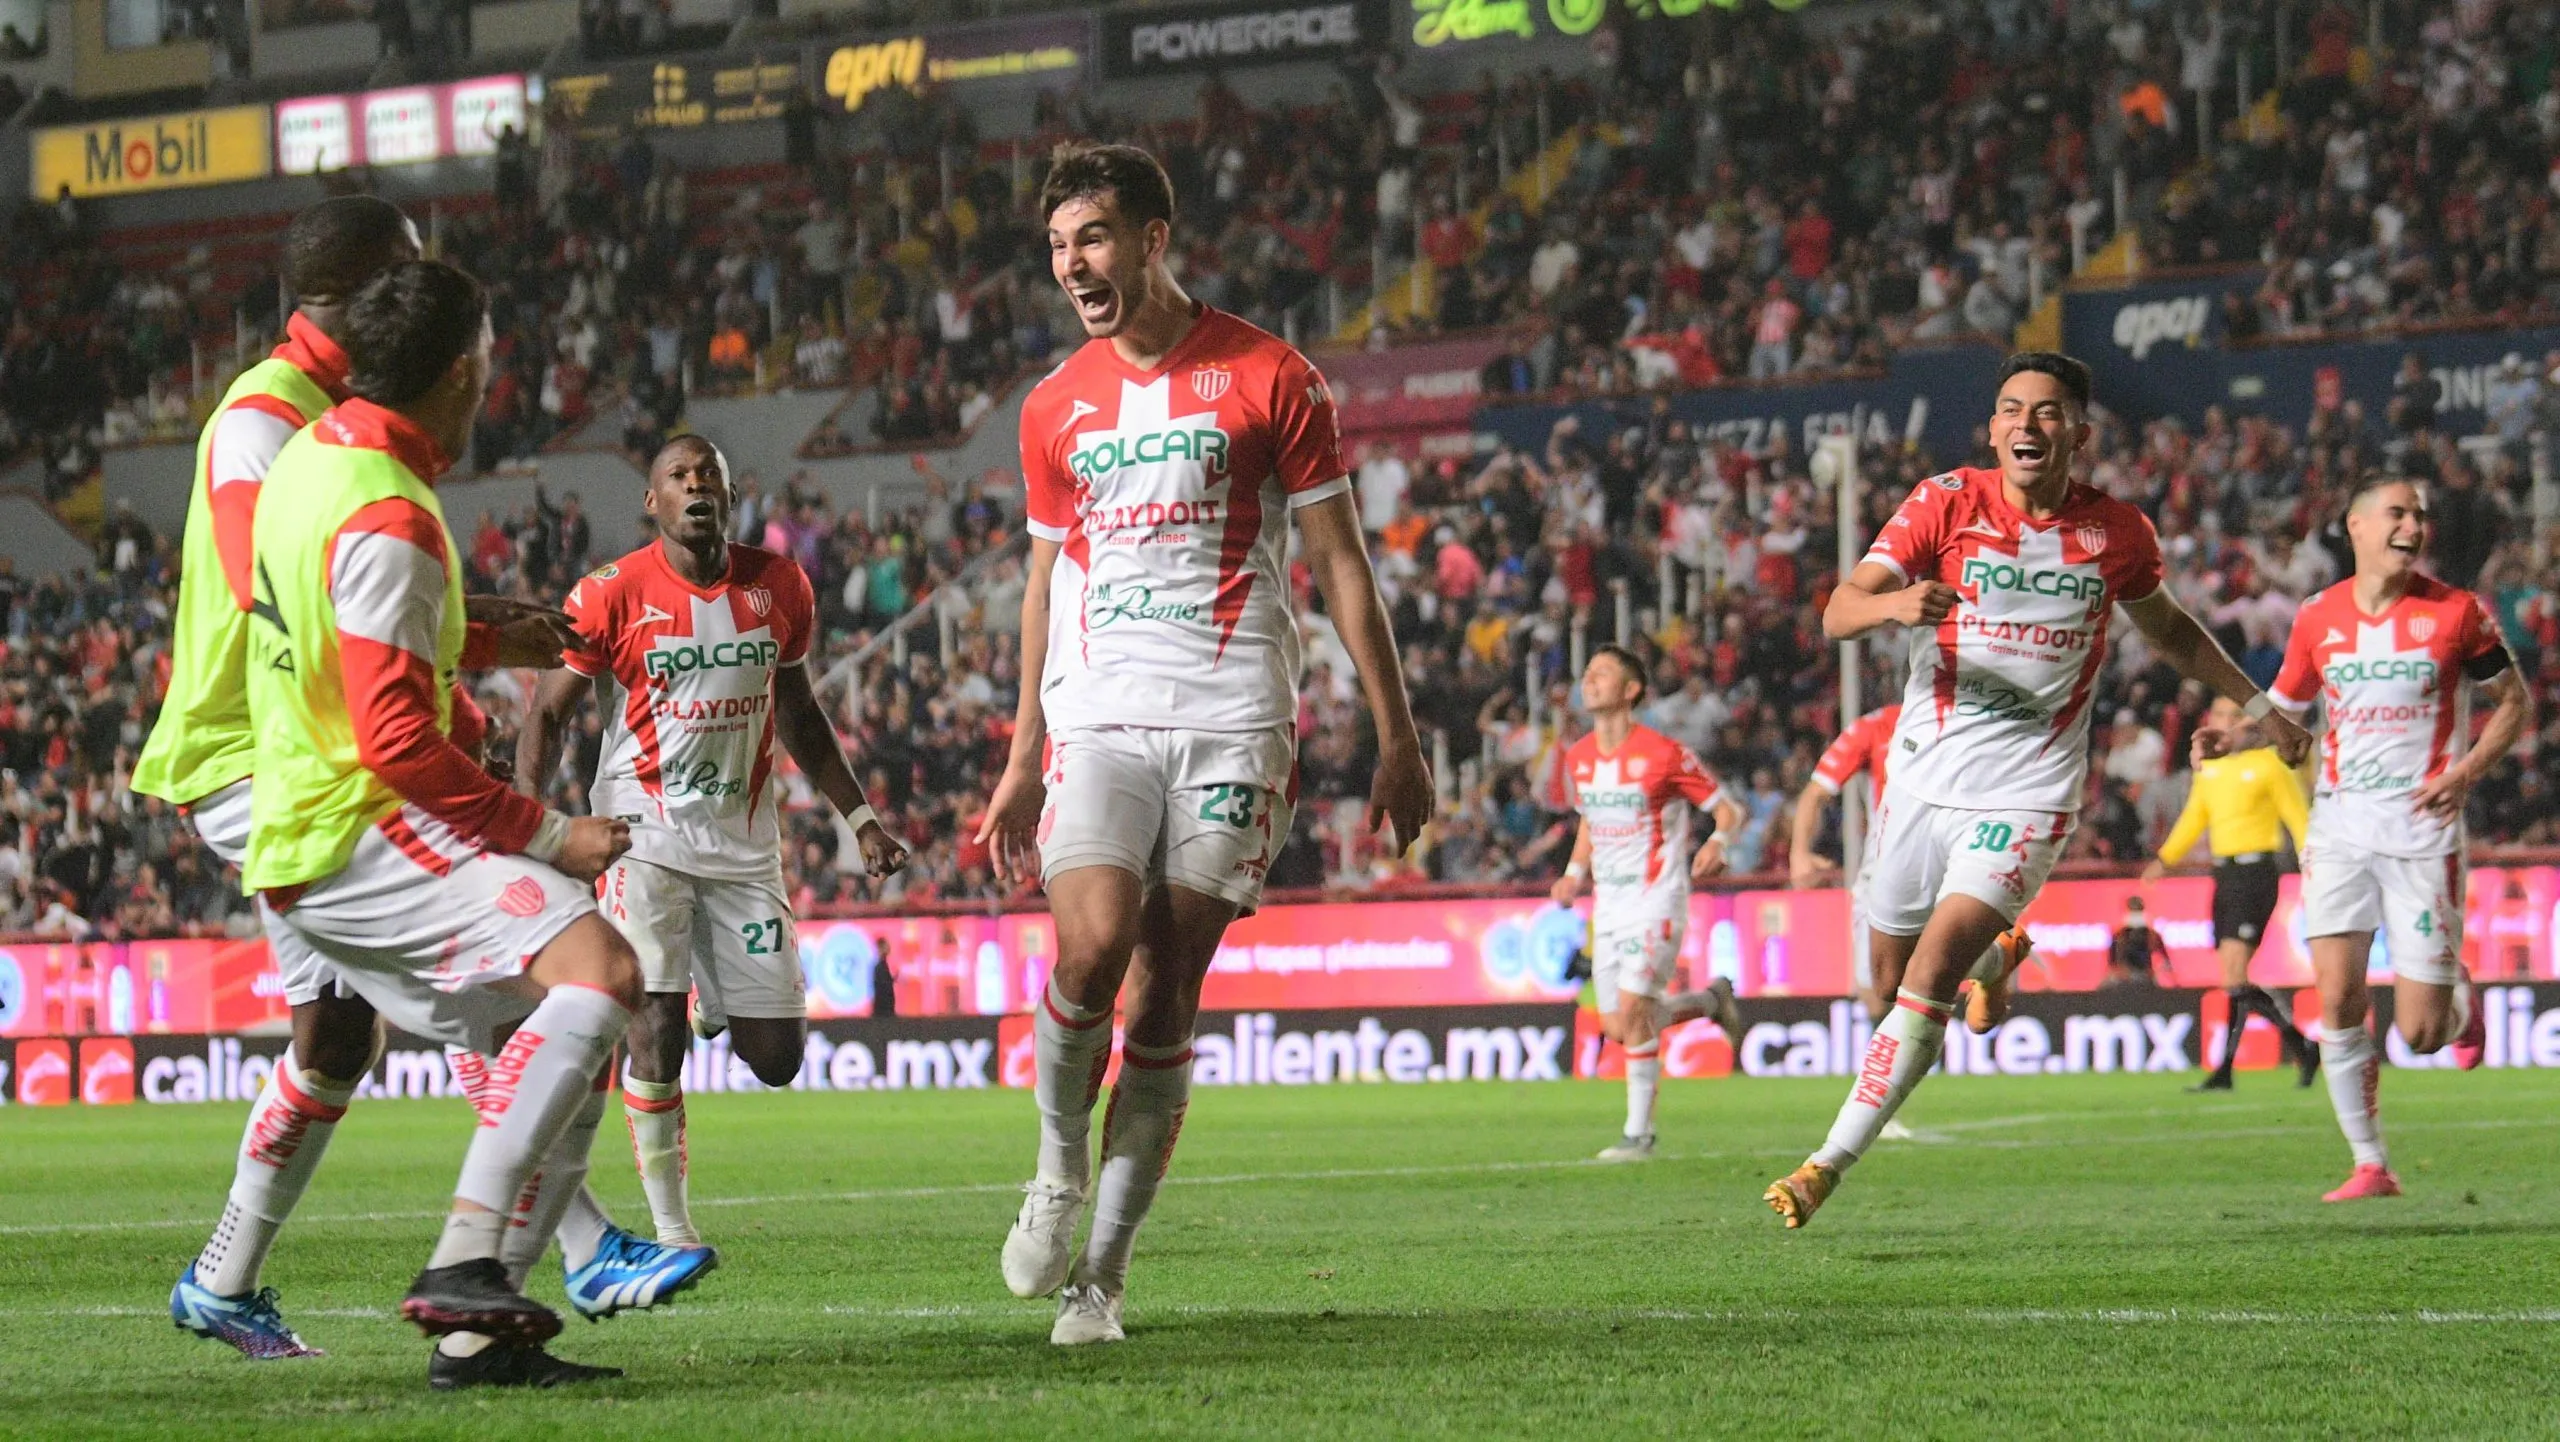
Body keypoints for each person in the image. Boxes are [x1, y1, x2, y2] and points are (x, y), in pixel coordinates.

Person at [976, 144, 1432, 1346]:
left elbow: (1339, 563)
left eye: (1095, 238)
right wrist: (1022, 752)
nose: (1075, 264)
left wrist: (1397, 731)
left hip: (1234, 713)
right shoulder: (1053, 404)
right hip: (1102, 713)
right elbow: (1041, 584)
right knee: (1088, 945)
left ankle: (1102, 1277)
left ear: (1153, 239)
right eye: (1061, 245)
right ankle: (1056, 1163)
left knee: (1165, 992)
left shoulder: (1271, 375)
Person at [241, 260, 709, 1388]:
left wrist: (491, 637)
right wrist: (550, 834)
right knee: (603, 969)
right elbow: (395, 734)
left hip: (306, 816)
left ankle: (476, 1338)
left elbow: (355, 631)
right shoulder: (392, 514)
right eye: (494, 349)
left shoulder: (317, 458)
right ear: (464, 367)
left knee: (562, 1037)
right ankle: (467, 1257)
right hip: (353, 822)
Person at [1762, 352, 2310, 1229]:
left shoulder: (2117, 532)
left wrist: (2263, 704)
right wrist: (1893, 607)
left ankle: (1825, 1163)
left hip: (2029, 792)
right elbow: (1837, 611)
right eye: (2012, 409)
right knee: (1891, 972)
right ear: (1992, 429)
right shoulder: (1943, 501)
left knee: (1927, 977)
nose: (2028, 424)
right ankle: (1997, 963)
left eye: (2049, 412)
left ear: (2078, 434)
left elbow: (2169, 629)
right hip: (1921, 780)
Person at [143, 197, 422, 1360]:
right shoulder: (266, 416)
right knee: (464, 937)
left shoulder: (332, 411)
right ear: (354, 291)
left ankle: (222, 1279)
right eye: (404, 276)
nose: (422, 295)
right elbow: (292, 590)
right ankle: (563, 1247)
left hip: (291, 746)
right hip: (259, 750)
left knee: (341, 1033)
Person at [516, 435, 909, 1249]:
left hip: (742, 844)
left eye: (709, 477)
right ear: (652, 503)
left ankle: (713, 992)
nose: (696, 486)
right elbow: (547, 711)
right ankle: (672, 1229)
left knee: (778, 1058)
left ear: (730, 498)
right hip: (643, 832)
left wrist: (861, 818)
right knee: (651, 1024)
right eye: (678, 477)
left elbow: (797, 710)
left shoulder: (780, 585)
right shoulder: (609, 594)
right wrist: (533, 827)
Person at [2267, 477, 2533, 1202]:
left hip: (2424, 829)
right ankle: (2369, 1163)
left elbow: (2514, 702)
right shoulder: (2318, 616)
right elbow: (2286, 713)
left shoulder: (2456, 612)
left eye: (2420, 513)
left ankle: (2461, 1005)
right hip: (2340, 824)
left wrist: (2469, 771)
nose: (2414, 524)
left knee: (2419, 1034)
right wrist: (2229, 734)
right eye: (2398, 512)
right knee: (2337, 995)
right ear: (2356, 526)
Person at [1547, 646, 1746, 1162]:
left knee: (1634, 1013)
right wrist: (1572, 873)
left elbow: (1728, 810)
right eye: (1586, 672)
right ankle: (1710, 1002)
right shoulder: (1580, 757)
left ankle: (1640, 1135)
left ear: (1631, 689)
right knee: (1618, 1027)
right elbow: (1589, 819)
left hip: (1657, 898)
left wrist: (1718, 843)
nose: (1589, 680)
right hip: (1607, 906)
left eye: (1602, 673)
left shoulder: (1664, 753)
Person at [2141, 696, 2317, 1091]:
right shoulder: (2212, 771)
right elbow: (2194, 817)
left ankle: (2230, 1068)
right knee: (2232, 979)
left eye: (2235, 715)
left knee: (2235, 974)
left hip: (2257, 872)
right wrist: (2164, 860)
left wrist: (2313, 864)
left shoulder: (2271, 765)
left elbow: (2297, 816)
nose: (2227, 722)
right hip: (2224, 875)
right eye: (2220, 714)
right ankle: (2301, 1046)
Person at [2101, 896, 2173, 986]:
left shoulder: (2152, 935)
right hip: (2124, 980)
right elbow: (2112, 963)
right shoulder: (2119, 936)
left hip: (2146, 978)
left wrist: (2157, 971)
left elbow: (2167, 962)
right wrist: (2121, 972)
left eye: (2137, 908)